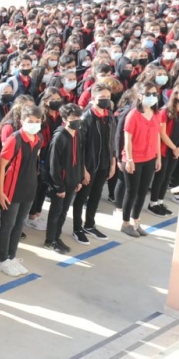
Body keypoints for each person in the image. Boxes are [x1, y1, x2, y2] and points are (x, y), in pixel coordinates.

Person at [0, 105, 43, 277]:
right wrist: (0, 192)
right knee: (7, 225)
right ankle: (2, 259)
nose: (34, 124)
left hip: (29, 188)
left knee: (19, 224)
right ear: (22, 121)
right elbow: (1, 167)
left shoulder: (39, 138)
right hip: (11, 189)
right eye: (30, 121)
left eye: (37, 121)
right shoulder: (14, 139)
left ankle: (11, 256)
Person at [72, 83, 115, 243]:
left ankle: (90, 224)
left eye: (108, 98)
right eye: (101, 97)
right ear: (93, 98)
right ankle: (77, 228)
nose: (105, 100)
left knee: (96, 195)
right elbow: (80, 146)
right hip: (89, 165)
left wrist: (112, 161)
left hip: (104, 163)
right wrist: (83, 169)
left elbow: (112, 140)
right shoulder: (86, 117)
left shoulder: (109, 115)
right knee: (82, 196)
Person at [121, 83, 162, 237]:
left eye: (154, 93)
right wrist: (129, 159)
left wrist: (158, 156)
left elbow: (157, 136)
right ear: (140, 96)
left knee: (142, 192)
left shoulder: (156, 114)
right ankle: (125, 223)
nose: (151, 97)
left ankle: (136, 221)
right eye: (148, 94)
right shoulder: (133, 115)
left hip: (150, 158)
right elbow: (127, 139)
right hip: (134, 158)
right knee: (132, 192)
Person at [44, 104, 85, 253]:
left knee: (63, 212)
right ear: (64, 119)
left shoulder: (77, 133)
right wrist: (58, 186)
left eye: (78, 117)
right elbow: (53, 165)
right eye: (73, 118)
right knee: (56, 212)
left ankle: (57, 236)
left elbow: (79, 157)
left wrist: (79, 179)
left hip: (72, 182)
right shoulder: (59, 137)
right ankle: (50, 240)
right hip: (60, 185)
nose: (77, 121)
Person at [148, 83, 179, 216]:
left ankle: (160, 201)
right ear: (176, 95)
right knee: (160, 177)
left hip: (177, 149)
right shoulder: (165, 111)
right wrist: (174, 148)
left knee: (167, 177)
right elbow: (162, 133)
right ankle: (153, 203)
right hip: (165, 149)